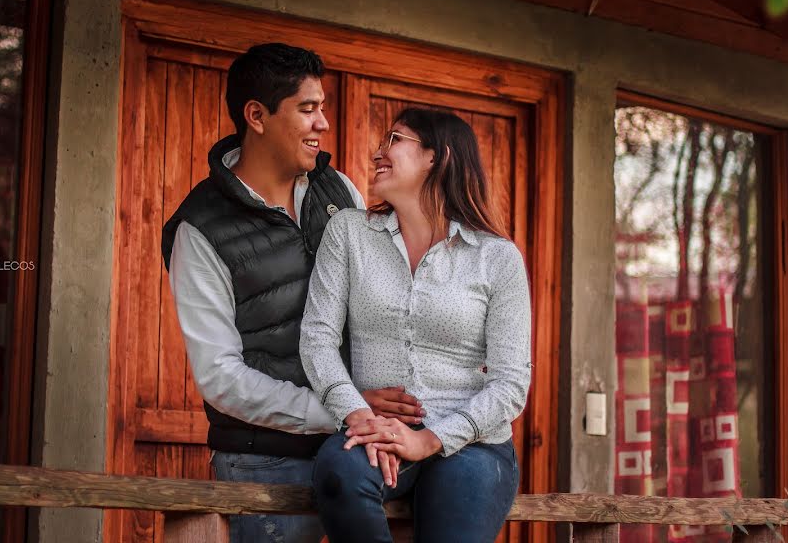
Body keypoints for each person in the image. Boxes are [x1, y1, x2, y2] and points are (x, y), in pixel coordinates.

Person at [161, 43, 423, 543]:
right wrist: (343, 409)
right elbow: (221, 378)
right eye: (307, 109)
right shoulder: (199, 229)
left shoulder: (339, 190)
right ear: (256, 116)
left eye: (322, 107)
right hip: (265, 460)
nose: (323, 123)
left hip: (364, 449)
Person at [300, 107, 532, 543]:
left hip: (472, 444)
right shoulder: (348, 232)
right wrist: (360, 416)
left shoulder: (497, 258)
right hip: (376, 429)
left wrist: (429, 440)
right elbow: (317, 340)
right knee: (337, 473)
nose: (377, 152)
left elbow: (510, 384)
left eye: (394, 139)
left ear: (436, 157)